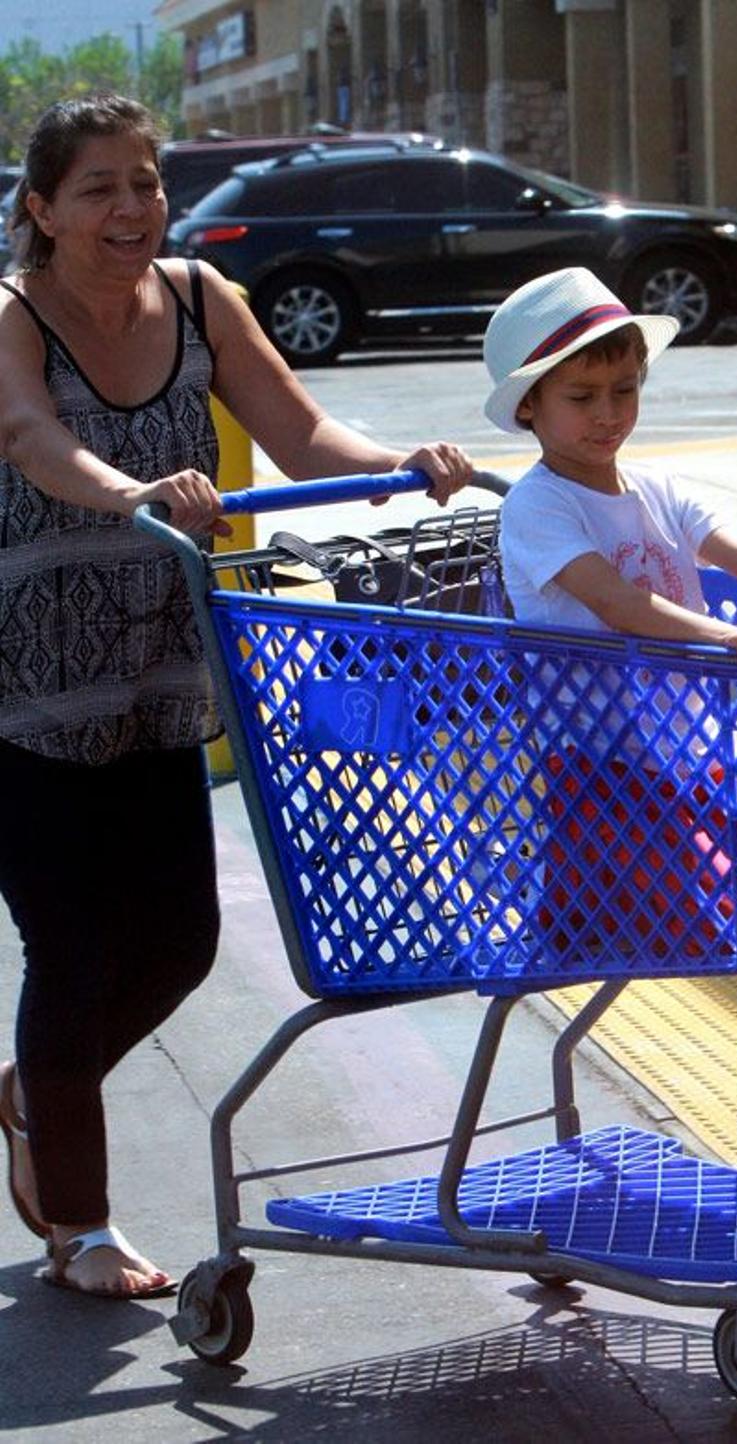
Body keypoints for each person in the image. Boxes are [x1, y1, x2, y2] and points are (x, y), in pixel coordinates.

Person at [0, 93, 473, 1300]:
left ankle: (34, 1096)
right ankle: (84, 1228)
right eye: (99, 187)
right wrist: (134, 491)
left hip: (163, 668)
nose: (131, 208)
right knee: (68, 942)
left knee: (181, 943)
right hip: (26, 684)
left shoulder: (209, 300)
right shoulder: (10, 314)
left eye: (146, 183)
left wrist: (397, 467)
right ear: (42, 210)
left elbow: (304, 430)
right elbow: (29, 437)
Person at [488, 267, 737, 682]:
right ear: (527, 405)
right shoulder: (536, 505)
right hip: (587, 736)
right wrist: (730, 635)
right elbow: (616, 601)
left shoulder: (659, 488)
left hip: (689, 729)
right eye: (582, 397)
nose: (608, 414)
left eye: (625, 390)